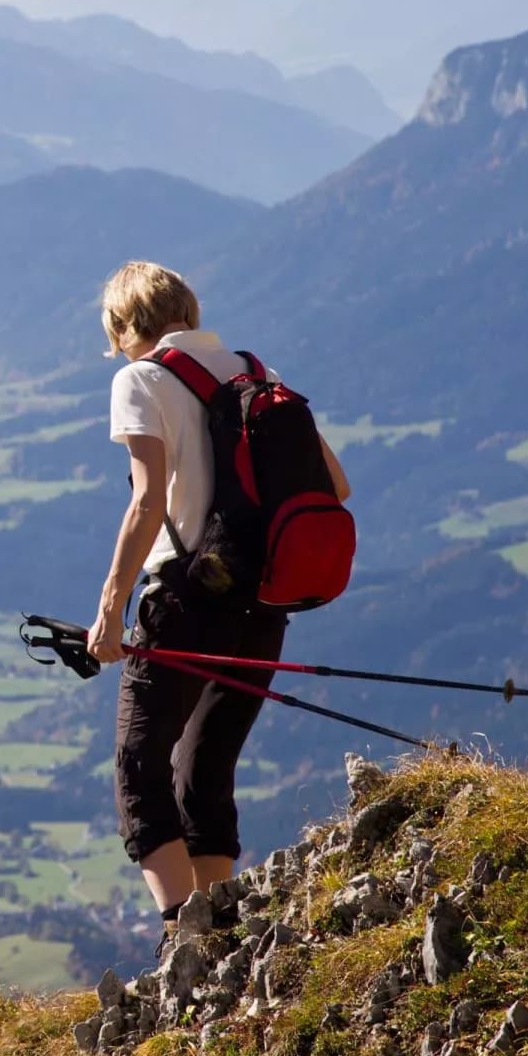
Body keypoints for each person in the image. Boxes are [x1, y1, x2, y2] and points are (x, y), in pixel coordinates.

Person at [83, 261, 350, 943]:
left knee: (139, 767)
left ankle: (185, 936)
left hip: (185, 599)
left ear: (122, 326)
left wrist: (110, 609)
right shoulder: (258, 376)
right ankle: (219, 930)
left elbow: (147, 500)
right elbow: (337, 486)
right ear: (188, 310)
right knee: (205, 770)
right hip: (263, 604)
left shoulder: (140, 379)